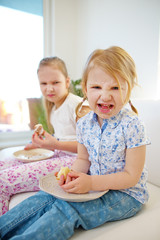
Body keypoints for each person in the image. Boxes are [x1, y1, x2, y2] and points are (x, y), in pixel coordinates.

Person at [0, 46, 150, 240]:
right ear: (85, 88)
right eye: (97, 87)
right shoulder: (85, 122)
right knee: (45, 196)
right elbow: (82, 159)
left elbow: (131, 176)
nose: (105, 96)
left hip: (125, 195)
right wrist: (73, 175)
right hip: (94, 185)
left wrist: (91, 182)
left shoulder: (133, 125)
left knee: (66, 209)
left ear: (129, 89)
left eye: (116, 87)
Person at [0, 56, 90, 216]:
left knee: (3, 180)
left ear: (67, 82)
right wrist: (39, 144)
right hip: (59, 153)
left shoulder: (76, 105)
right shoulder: (55, 108)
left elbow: (91, 145)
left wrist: (54, 144)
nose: (49, 88)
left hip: (76, 160)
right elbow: (63, 137)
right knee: (3, 164)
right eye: (44, 83)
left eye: (55, 82)